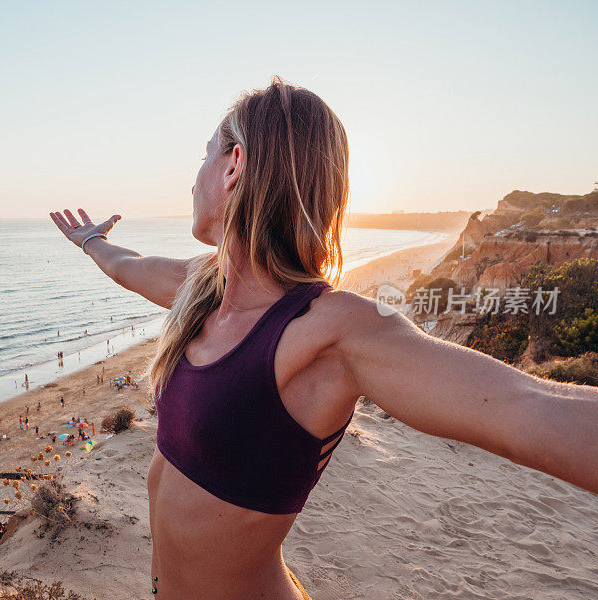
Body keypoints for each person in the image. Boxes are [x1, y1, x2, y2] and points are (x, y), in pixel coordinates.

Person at [50, 78, 598, 599]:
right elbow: (130, 265)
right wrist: (92, 240)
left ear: (235, 164)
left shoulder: (332, 331)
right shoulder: (204, 287)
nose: (193, 178)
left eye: (204, 156)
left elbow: (530, 407)